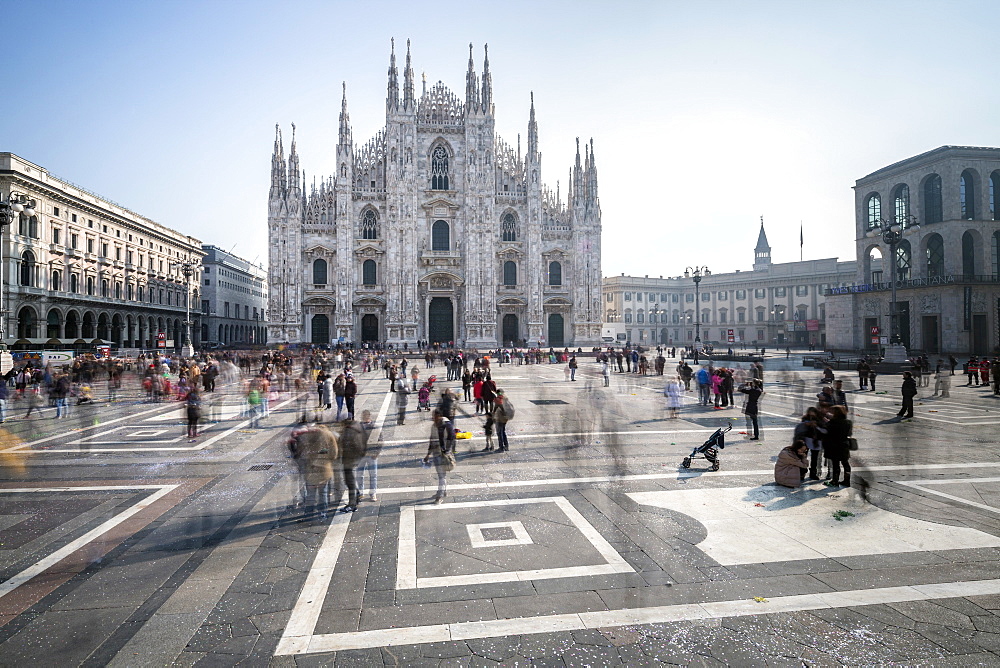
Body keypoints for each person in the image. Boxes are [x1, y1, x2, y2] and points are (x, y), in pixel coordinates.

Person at [297, 425, 339, 517]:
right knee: (323, 493)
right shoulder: (329, 435)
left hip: (310, 468)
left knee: (310, 494)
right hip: (324, 469)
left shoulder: (308, 435)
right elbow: (334, 453)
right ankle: (322, 513)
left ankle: (309, 513)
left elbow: (302, 451)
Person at [424, 409, 455, 503]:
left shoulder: (446, 425)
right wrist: (428, 454)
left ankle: (440, 495)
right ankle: (443, 491)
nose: (433, 418)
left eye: (435, 416)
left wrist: (447, 451)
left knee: (442, 475)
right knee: (440, 474)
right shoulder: (434, 426)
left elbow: (452, 437)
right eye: (433, 416)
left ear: (440, 416)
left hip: (443, 454)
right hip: (436, 453)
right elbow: (432, 439)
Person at [338, 417, 366, 512]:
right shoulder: (357, 428)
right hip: (352, 459)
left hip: (349, 460)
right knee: (350, 481)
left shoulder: (349, 431)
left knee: (350, 483)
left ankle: (352, 505)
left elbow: (356, 445)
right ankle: (357, 496)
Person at [823, 405, 853, 487]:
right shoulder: (848, 422)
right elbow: (849, 433)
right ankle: (847, 481)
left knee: (836, 464)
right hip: (844, 445)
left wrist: (827, 422)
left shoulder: (832, 423)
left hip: (834, 445)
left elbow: (828, 433)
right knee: (845, 463)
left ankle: (835, 480)